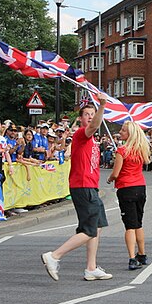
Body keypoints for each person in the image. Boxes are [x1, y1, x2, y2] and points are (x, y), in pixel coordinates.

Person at [42, 93, 113, 281]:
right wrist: (102, 105)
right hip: (82, 186)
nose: (90, 116)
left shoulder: (93, 140)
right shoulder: (82, 134)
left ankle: (91, 267)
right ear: (81, 119)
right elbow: (94, 125)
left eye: (93, 113)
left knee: (97, 226)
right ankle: (54, 256)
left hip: (91, 186)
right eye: (87, 114)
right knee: (88, 230)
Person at [106, 121, 151, 270]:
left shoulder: (122, 151)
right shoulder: (140, 150)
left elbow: (116, 173)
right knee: (138, 222)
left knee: (129, 226)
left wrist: (110, 178)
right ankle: (142, 254)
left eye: (123, 130)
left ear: (130, 134)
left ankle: (132, 258)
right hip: (140, 186)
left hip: (126, 188)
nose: (120, 132)